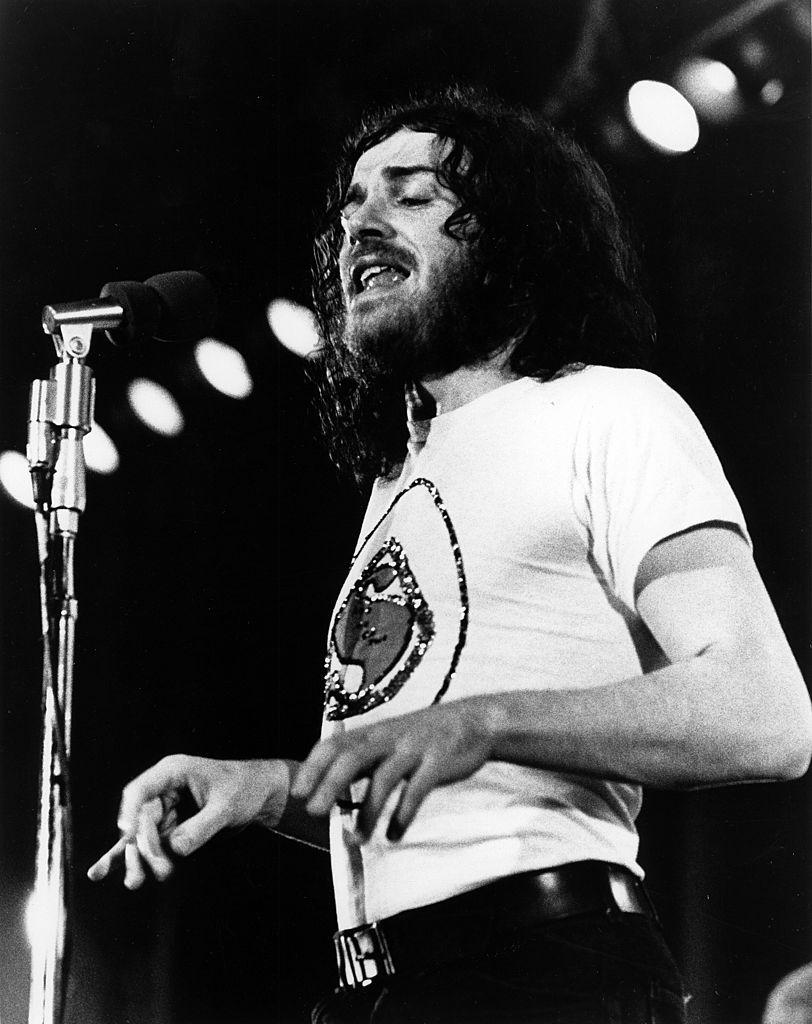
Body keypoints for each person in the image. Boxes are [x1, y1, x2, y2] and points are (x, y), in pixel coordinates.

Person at [88, 86, 812, 1023]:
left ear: (513, 237)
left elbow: (765, 714)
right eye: (351, 205)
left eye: (412, 195)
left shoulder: (609, 410)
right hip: (382, 989)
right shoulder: (399, 478)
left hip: (545, 975)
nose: (361, 225)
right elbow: (437, 792)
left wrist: (485, 722)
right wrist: (268, 790)